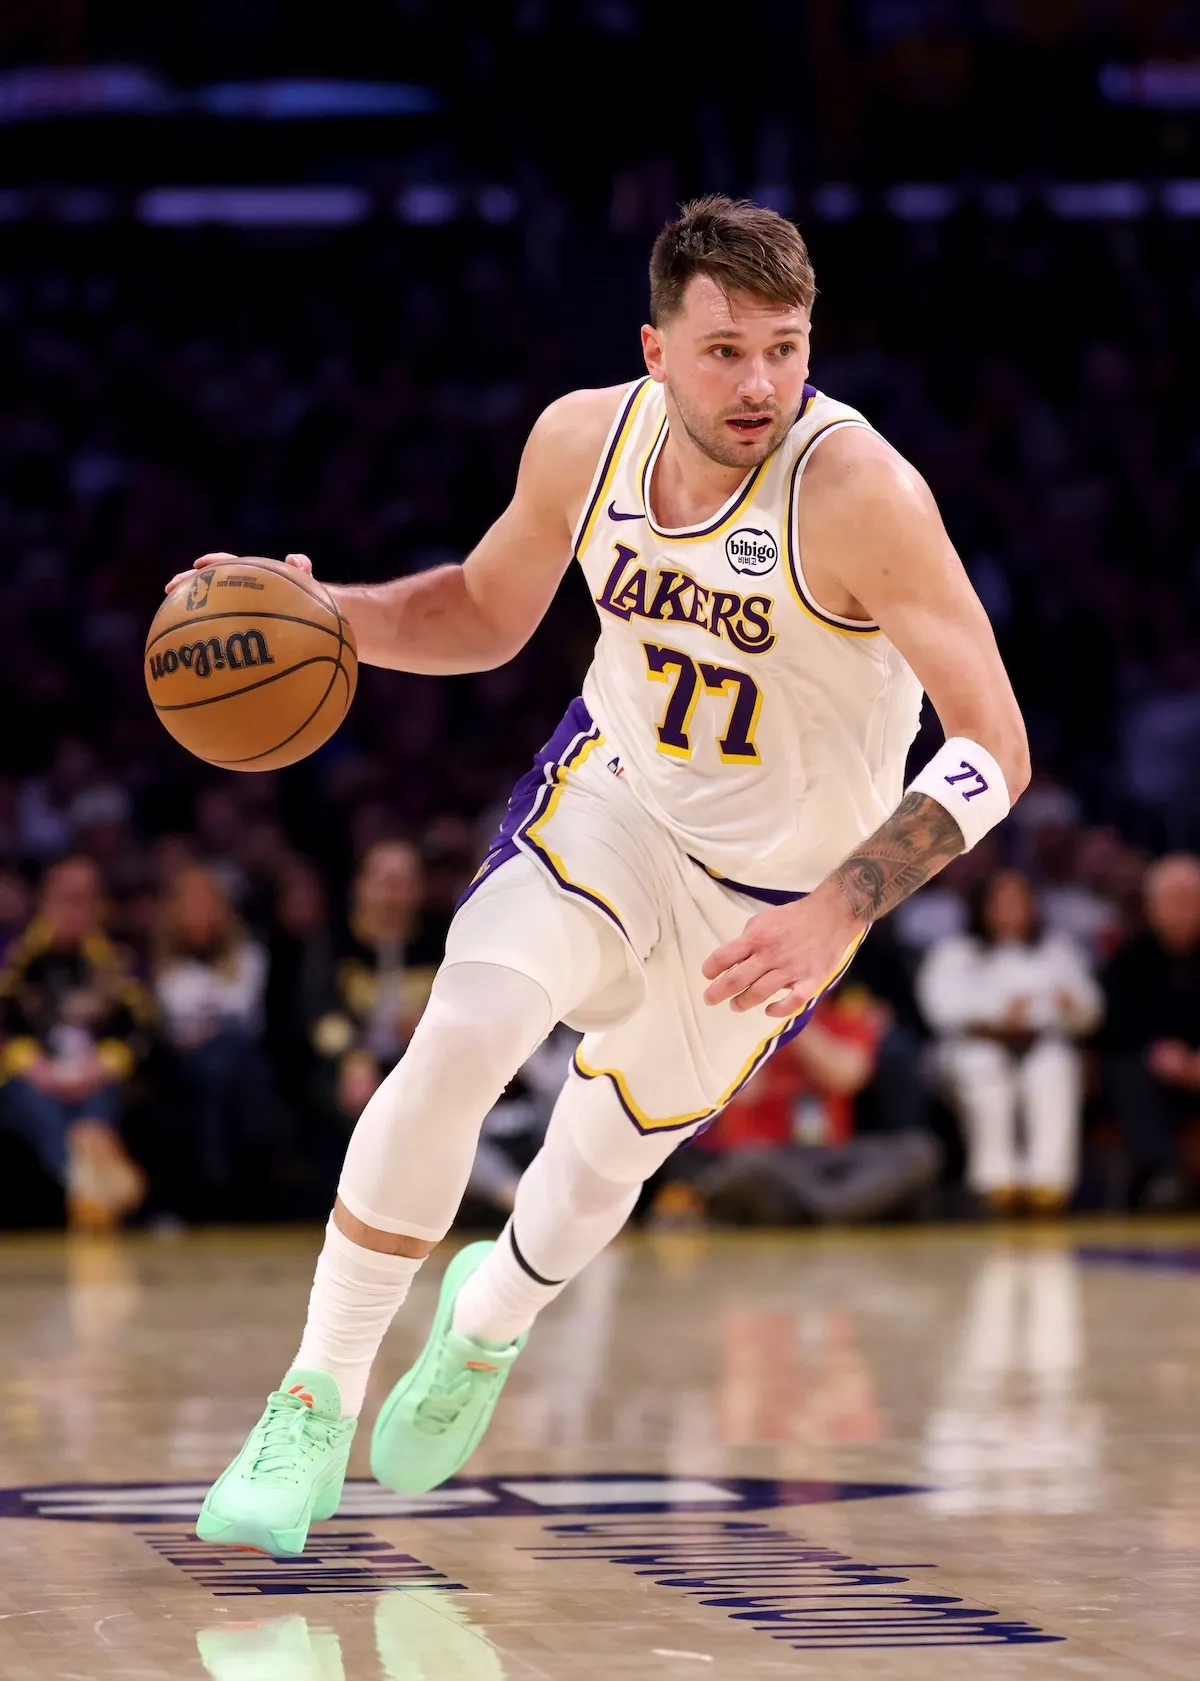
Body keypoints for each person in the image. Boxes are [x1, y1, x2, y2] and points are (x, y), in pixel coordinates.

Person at [171, 196, 1029, 1557]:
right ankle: (313, 1396)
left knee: (597, 1163)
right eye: (726, 350)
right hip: (614, 802)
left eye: (786, 349)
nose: (759, 384)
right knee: (460, 1037)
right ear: (656, 348)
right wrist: (327, 616)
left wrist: (843, 907)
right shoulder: (586, 439)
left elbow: (996, 747)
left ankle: (487, 1322)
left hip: (783, 895)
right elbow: (480, 609)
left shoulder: (861, 492)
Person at [651, 982, 940, 1226]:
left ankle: (816, 1211)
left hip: (827, 1157)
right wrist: (766, 1023)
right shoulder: (741, 1014)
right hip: (767, 1157)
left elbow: (848, 1075)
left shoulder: (839, 1013)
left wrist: (795, 1021)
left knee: (918, 1151)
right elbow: (744, 1092)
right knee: (748, 1166)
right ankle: (835, 1212)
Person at [917, 868, 1103, 1214]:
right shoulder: (957, 952)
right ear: (983, 906)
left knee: (1055, 1068)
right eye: (1001, 902)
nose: (1010, 910)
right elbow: (941, 1010)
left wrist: (1072, 1005)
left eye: (1018, 901)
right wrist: (999, 1014)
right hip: (977, 1045)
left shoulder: (1055, 949)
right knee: (983, 1070)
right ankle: (995, 1183)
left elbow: (1090, 1010)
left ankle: (1048, 1183)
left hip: (1040, 1043)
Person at [0, 855, 151, 1229]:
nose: (75, 909)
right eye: (66, 897)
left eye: (86, 898)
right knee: (33, 1102)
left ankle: (87, 1185)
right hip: (31, 1075)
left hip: (95, 1075)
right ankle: (86, 1182)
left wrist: (102, 1064)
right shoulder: (15, 954)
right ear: (45, 900)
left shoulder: (117, 957)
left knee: (99, 1104)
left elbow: (142, 1026)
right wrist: (32, 1065)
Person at [152, 865, 273, 1212]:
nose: (200, 913)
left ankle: (219, 1180)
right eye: (191, 904)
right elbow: (173, 1019)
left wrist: (205, 1023)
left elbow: (244, 1011)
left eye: (207, 903)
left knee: (227, 1059)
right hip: (183, 1063)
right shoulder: (164, 963)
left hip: (239, 1056)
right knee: (214, 1068)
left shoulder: (249, 956)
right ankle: (224, 1183)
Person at [1101, 854, 1200, 1210]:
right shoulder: (1130, 960)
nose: (1183, 909)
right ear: (1152, 907)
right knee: (1126, 1072)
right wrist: (1158, 1051)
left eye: (1190, 899)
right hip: (1154, 1073)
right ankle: (1163, 1177)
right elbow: (1114, 1025)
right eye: (1173, 900)